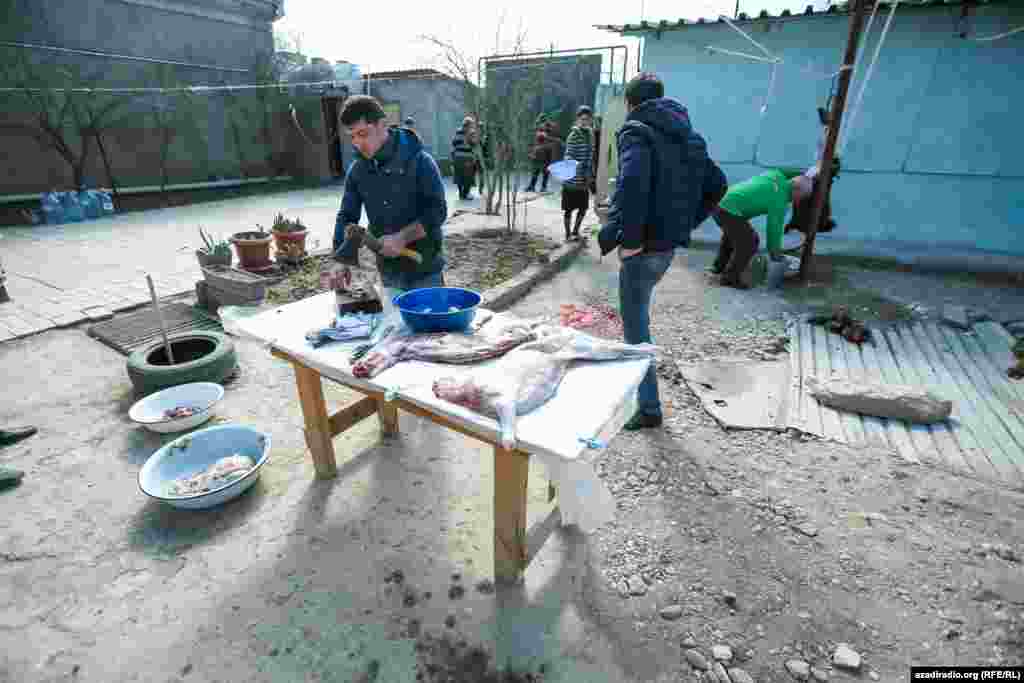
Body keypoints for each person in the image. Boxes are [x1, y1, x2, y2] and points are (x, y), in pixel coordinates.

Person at [598, 73, 727, 430]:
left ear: (630, 103)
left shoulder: (636, 130)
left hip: (643, 249)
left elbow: (632, 183)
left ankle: (650, 408)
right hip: (667, 247)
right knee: (639, 321)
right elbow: (717, 185)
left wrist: (630, 241)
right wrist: (684, 224)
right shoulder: (688, 135)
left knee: (636, 330)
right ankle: (645, 399)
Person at [334, 95, 448, 301]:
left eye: (363, 134)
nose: (357, 143)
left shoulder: (420, 161)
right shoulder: (358, 170)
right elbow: (347, 216)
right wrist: (341, 259)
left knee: (430, 320)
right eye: (352, 136)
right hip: (388, 272)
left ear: (382, 125)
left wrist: (402, 237)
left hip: (426, 269)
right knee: (394, 320)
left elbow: (437, 211)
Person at [711, 169, 813, 288]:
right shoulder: (779, 201)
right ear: (796, 191)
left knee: (733, 236)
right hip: (727, 209)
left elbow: (784, 171)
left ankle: (718, 267)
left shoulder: (776, 176)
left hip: (719, 202)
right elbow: (773, 231)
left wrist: (807, 173)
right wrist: (776, 256)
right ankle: (729, 278)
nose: (799, 201)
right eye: (802, 197)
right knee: (750, 242)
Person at [561, 106, 595, 242]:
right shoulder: (573, 135)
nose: (584, 122)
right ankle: (567, 234)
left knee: (583, 208)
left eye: (587, 119)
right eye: (582, 119)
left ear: (590, 120)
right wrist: (574, 164)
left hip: (584, 179)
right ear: (578, 120)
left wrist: (590, 173)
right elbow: (568, 154)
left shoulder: (591, 134)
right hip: (572, 178)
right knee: (568, 209)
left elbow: (592, 154)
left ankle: (575, 231)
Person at [450, 116, 477, 200]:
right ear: (469, 125)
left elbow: (453, 143)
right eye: (471, 124)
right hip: (467, 157)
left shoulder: (458, 132)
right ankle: (465, 193)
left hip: (457, 157)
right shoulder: (471, 132)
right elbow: (473, 144)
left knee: (459, 175)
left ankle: (461, 193)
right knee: (469, 175)